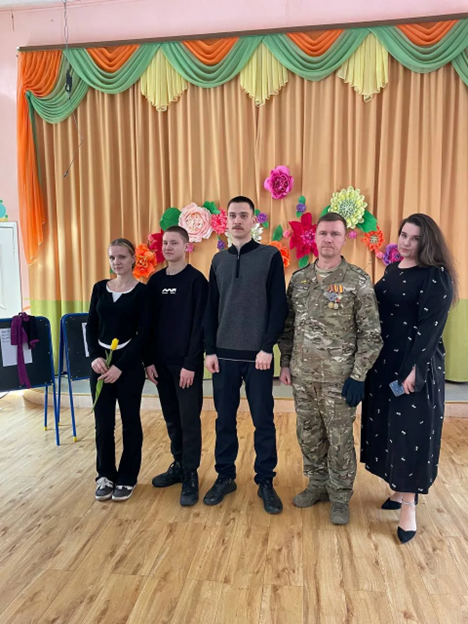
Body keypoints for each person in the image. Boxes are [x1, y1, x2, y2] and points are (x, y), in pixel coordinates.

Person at [279, 212, 383, 525]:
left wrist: (358, 376)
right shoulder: (300, 280)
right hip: (303, 377)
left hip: (340, 380)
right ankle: (317, 484)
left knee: (339, 440)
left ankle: (339, 496)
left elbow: (371, 334)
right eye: (323, 233)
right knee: (309, 435)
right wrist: (285, 362)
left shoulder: (357, 280)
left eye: (335, 234)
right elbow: (288, 326)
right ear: (314, 237)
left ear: (343, 238)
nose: (328, 239)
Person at [361, 213, 457, 543]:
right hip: (385, 363)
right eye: (403, 235)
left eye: (415, 238)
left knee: (410, 434)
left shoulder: (436, 276)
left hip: (415, 364)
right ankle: (399, 491)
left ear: (427, 242)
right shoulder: (392, 270)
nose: (406, 242)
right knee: (389, 429)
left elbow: (431, 329)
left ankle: (409, 509)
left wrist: (414, 369)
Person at [203, 196, 288, 514]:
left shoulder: (270, 256)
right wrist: (210, 350)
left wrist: (267, 347)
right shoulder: (218, 261)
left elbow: (278, 306)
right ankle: (225, 476)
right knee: (224, 420)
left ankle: (265, 481)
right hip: (223, 357)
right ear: (226, 221)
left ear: (254, 220)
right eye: (232, 215)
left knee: (263, 420)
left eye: (243, 215)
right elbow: (210, 309)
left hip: (258, 357)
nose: (237, 220)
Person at [145, 226, 208, 506]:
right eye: (165, 243)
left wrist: (191, 364)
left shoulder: (196, 281)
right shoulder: (155, 281)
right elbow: (147, 325)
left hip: (186, 367)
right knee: (171, 417)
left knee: (189, 419)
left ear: (186, 246)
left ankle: (191, 473)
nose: (168, 247)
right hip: (160, 365)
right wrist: (148, 361)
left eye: (174, 243)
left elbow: (200, 326)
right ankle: (179, 464)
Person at [86, 238, 148, 502]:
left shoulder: (142, 292)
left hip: (128, 366)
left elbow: (144, 334)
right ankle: (105, 475)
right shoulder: (100, 288)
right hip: (100, 364)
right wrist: (95, 357)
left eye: (122, 257)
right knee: (103, 424)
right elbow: (91, 326)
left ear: (133, 258)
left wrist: (121, 366)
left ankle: (127, 477)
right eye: (112, 257)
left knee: (130, 422)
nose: (116, 262)